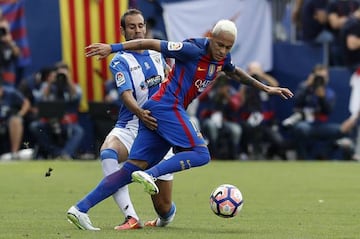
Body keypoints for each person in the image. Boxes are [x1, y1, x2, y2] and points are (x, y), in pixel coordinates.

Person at [67, 19, 293, 230]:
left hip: (162, 110)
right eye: (220, 45)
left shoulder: (223, 58)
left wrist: (266, 88)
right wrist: (113, 48)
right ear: (211, 38)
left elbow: (235, 72)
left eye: (228, 47)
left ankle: (79, 209)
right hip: (167, 106)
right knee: (201, 154)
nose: (222, 50)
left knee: (132, 168)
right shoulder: (191, 48)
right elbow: (150, 43)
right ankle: (153, 174)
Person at [67, 9, 176, 231]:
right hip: (131, 126)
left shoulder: (159, 51)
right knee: (108, 153)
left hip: (160, 131)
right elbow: (126, 95)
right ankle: (131, 217)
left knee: (163, 207)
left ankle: (164, 217)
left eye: (140, 25)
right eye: (132, 26)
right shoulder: (120, 61)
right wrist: (140, 113)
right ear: (123, 31)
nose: (137, 30)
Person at [283, 64, 348, 159]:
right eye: (318, 77)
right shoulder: (304, 87)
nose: (321, 80)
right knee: (300, 128)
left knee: (342, 130)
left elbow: (328, 111)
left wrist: (322, 98)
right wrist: (307, 87)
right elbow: (296, 102)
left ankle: (323, 155)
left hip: (321, 125)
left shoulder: (329, 92)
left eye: (324, 77)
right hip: (305, 123)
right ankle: (303, 159)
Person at [29, 63, 84, 159]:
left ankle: (66, 153)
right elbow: (40, 99)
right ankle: (56, 152)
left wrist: (68, 80)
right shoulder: (47, 86)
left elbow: (77, 97)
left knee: (78, 131)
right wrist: (50, 83)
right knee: (35, 126)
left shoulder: (73, 86)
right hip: (50, 121)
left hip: (66, 122)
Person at [198, 73, 243, 159]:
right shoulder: (212, 90)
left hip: (226, 120)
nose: (222, 84)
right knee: (211, 126)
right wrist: (213, 83)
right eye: (220, 81)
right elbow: (200, 98)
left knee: (236, 130)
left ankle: (234, 154)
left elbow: (236, 106)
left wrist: (226, 95)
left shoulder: (231, 91)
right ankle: (214, 153)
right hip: (210, 119)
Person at [0, 79, 30, 160]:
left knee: (15, 120)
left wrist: (20, 114)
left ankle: (14, 153)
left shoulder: (11, 93)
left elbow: (26, 103)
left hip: (8, 121)